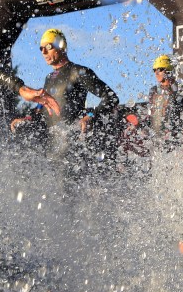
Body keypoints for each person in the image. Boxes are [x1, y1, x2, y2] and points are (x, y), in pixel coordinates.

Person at [12, 28, 120, 180]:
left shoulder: (79, 72)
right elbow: (42, 107)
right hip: (51, 148)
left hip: (73, 150)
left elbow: (111, 97)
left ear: (61, 46)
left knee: (69, 197)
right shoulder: (49, 78)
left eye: (49, 46)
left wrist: (90, 116)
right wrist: (28, 118)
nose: (44, 51)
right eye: (41, 48)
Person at [145, 55, 183, 151]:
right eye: (154, 70)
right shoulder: (153, 91)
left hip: (177, 138)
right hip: (159, 140)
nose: (156, 73)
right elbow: (151, 116)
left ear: (168, 70)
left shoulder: (181, 89)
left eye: (160, 69)